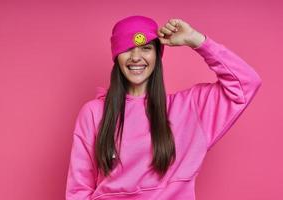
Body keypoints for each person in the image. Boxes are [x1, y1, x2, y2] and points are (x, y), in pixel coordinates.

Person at [65, 15, 262, 200]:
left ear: (157, 55)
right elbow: (78, 191)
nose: (136, 57)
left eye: (145, 48)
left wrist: (196, 40)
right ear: (117, 58)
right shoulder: (94, 112)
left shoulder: (190, 109)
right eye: (127, 49)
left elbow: (247, 83)